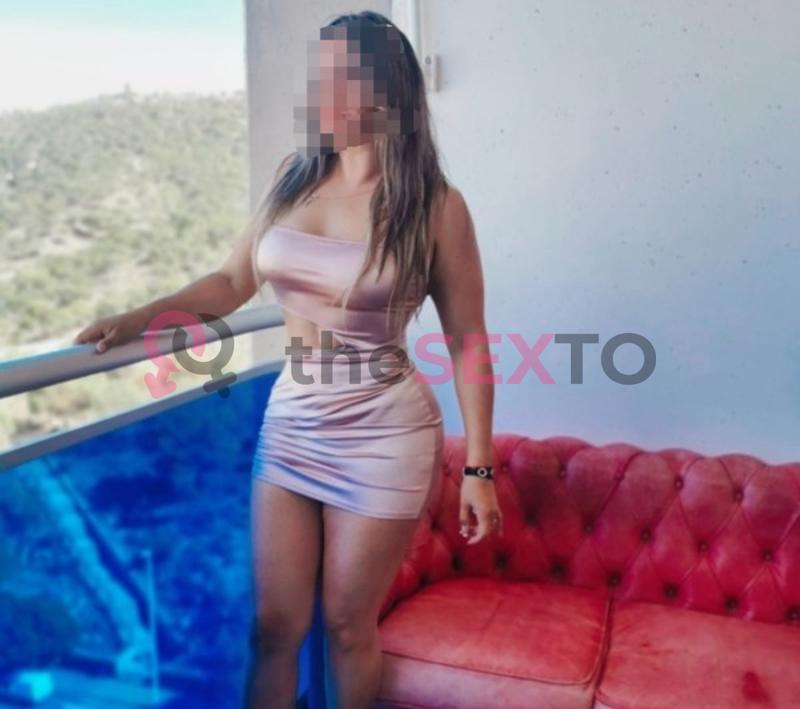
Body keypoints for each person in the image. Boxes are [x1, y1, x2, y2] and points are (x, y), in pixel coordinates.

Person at [73, 10, 501, 708]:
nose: (318, 91)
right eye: (318, 74)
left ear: (386, 89)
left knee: (347, 625)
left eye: (338, 75)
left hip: (385, 432)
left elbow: (469, 341)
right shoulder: (291, 179)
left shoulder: (434, 207)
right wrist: (140, 318)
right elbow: (230, 282)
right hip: (294, 422)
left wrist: (480, 469)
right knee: (273, 627)